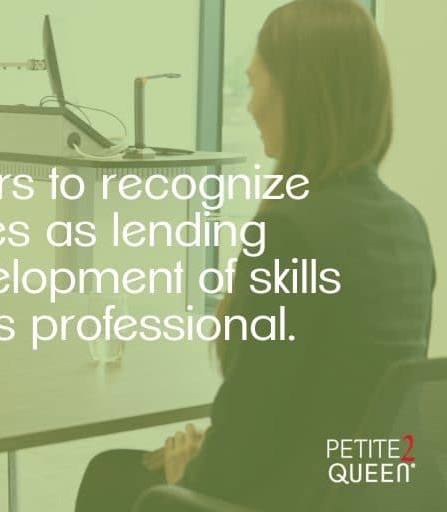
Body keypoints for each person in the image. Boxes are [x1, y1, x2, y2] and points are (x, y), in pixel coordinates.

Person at [74, 1, 437, 510]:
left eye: (254, 84)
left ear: (296, 93)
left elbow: (251, 420)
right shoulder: (408, 226)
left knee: (110, 479)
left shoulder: (289, 231)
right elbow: (336, 403)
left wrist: (192, 473)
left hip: (291, 497)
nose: (249, 106)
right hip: (368, 491)